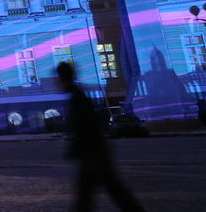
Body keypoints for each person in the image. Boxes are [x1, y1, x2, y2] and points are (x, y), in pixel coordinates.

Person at [56, 61, 145, 212]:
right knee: (105, 194)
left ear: (62, 78)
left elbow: (84, 128)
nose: (56, 82)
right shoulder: (78, 96)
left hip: (93, 157)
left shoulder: (77, 98)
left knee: (109, 194)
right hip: (94, 155)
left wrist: (74, 150)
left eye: (57, 78)